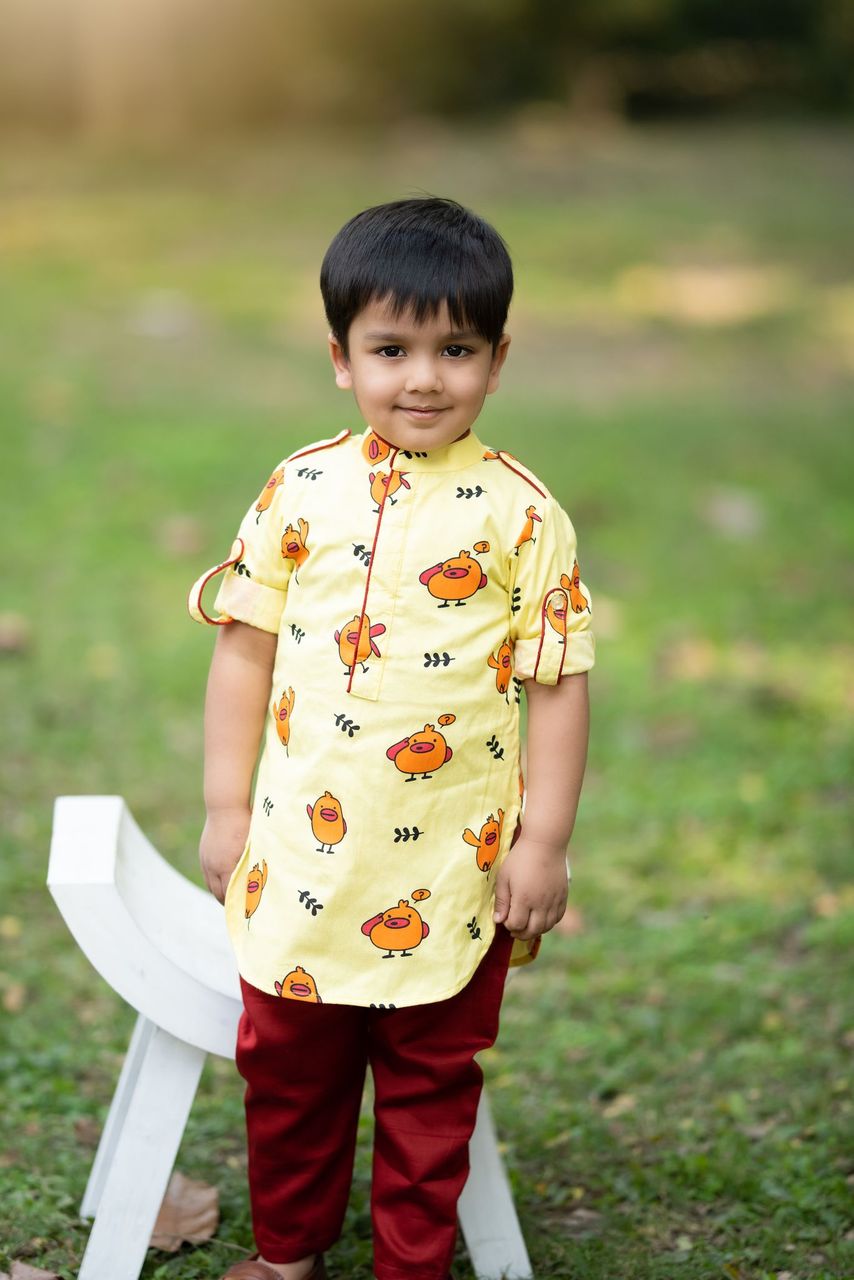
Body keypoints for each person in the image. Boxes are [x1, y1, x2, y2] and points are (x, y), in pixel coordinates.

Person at [188, 196, 595, 1280]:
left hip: (451, 863)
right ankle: (288, 1254)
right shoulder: (300, 487)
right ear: (340, 357)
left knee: (426, 1086)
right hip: (302, 859)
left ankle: (408, 1263)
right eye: (390, 347)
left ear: (496, 359)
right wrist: (228, 805)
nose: (422, 377)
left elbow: (556, 684)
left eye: (454, 347)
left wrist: (542, 841)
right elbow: (243, 651)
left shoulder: (521, 516)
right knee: (288, 1077)